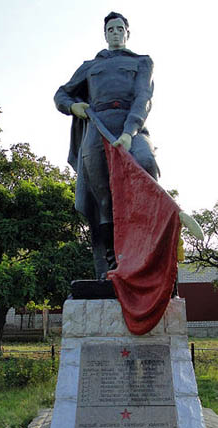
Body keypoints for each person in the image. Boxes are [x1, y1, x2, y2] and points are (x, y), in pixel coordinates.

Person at [54, 12, 159, 279]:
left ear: (127, 33)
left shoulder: (142, 62)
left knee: (146, 164)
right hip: (97, 126)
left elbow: (143, 98)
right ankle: (110, 266)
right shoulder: (90, 66)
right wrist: (73, 106)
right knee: (101, 196)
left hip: (129, 124)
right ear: (105, 34)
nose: (115, 32)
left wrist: (129, 132)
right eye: (110, 29)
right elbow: (61, 93)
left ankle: (145, 252)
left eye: (119, 28)